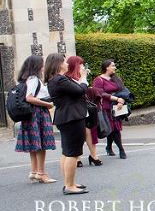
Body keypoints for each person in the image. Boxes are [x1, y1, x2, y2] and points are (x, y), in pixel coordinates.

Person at [48, 55, 90, 194]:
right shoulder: (60, 79)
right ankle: (69, 186)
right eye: (65, 61)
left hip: (65, 117)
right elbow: (80, 90)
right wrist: (83, 77)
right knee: (73, 152)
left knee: (67, 152)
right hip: (72, 117)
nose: (67, 64)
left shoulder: (55, 80)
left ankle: (69, 182)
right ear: (58, 64)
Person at [14, 55, 57, 183]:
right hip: (38, 113)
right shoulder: (34, 79)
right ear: (36, 66)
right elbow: (30, 97)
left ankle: (34, 172)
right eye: (42, 64)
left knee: (34, 143)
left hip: (30, 114)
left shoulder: (26, 79)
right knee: (41, 145)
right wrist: (48, 104)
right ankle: (42, 173)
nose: (44, 67)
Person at [92, 59, 128, 159]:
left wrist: (122, 100)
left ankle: (108, 147)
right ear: (107, 67)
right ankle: (121, 150)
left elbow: (123, 90)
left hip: (117, 107)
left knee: (114, 128)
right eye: (113, 65)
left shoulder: (116, 78)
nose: (115, 67)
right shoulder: (98, 80)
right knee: (112, 128)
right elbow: (100, 93)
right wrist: (116, 98)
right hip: (105, 108)